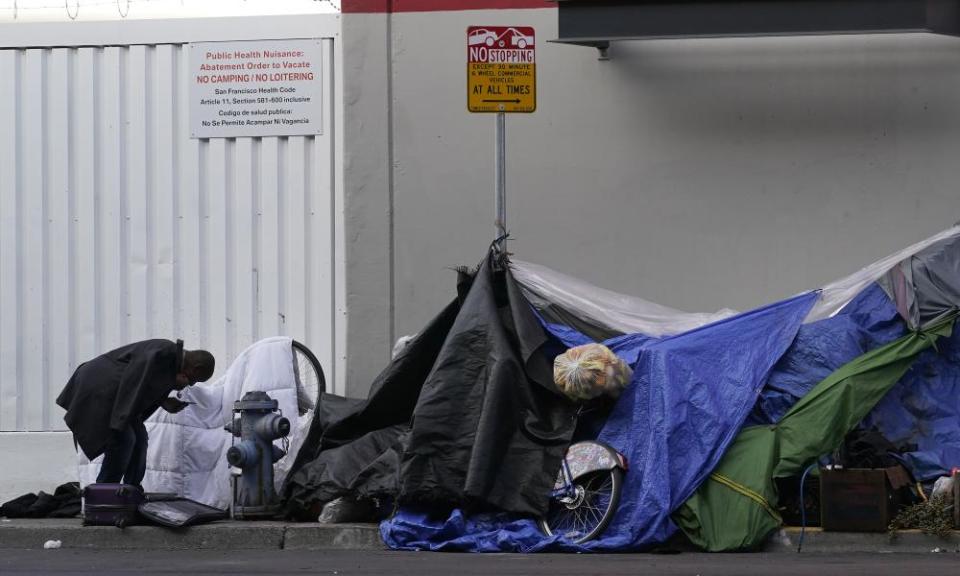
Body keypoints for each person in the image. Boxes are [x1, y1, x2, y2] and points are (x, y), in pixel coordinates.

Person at [56, 339, 215, 487]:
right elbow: (133, 379)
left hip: (115, 394)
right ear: (196, 368)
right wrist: (120, 422)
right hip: (100, 387)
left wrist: (164, 401)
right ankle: (105, 494)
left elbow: (145, 384)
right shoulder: (164, 353)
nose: (191, 383)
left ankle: (130, 490)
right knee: (124, 439)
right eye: (195, 379)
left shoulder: (170, 360)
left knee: (140, 438)